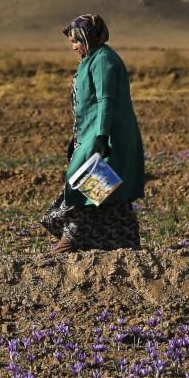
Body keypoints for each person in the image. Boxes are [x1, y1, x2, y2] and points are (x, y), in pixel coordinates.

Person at [42, 14, 145, 253]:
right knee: (106, 192)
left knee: (87, 185)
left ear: (89, 36)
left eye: (76, 41)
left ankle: (73, 239)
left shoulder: (103, 61)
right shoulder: (92, 59)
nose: (74, 47)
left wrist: (101, 137)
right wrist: (78, 138)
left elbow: (105, 100)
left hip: (109, 137)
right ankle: (124, 243)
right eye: (72, 43)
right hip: (93, 134)